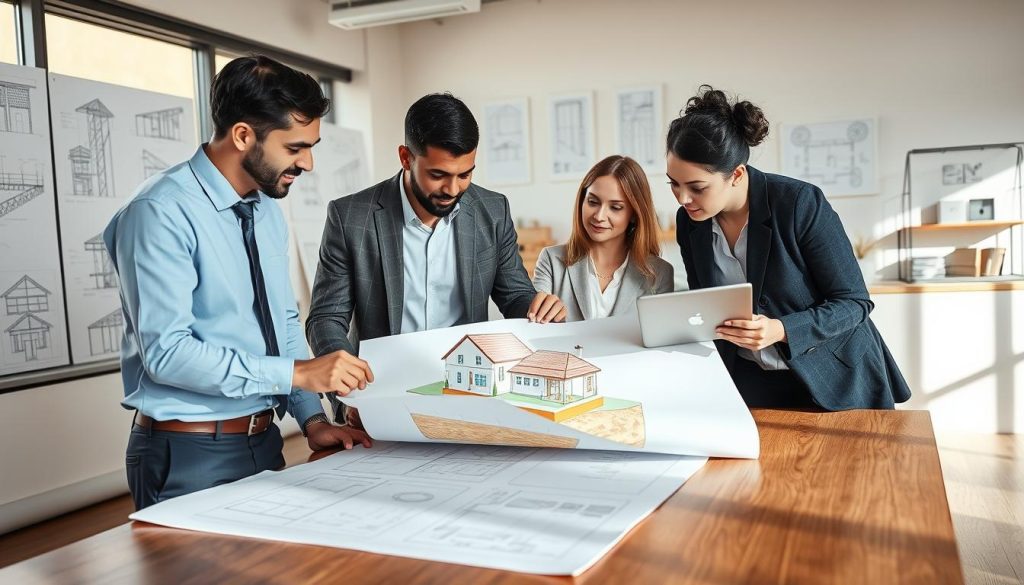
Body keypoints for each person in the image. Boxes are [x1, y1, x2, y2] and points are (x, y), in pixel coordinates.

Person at [104, 55, 372, 510]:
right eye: (294, 148)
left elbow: (282, 322)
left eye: (312, 146)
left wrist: (310, 418)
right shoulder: (159, 213)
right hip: (187, 455)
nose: (307, 163)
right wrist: (298, 373)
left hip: (263, 441)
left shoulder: (265, 208)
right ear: (243, 135)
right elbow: (167, 355)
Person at [306, 93, 566, 424]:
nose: (453, 189)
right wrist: (349, 396)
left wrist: (538, 310)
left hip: (469, 390)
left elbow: (515, 295)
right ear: (405, 157)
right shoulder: (351, 217)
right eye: (438, 174)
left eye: (465, 174)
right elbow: (326, 318)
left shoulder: (493, 210)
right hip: (380, 394)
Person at [667, 85, 910, 410]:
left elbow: (854, 302)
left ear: (736, 174)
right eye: (674, 184)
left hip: (833, 377)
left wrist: (782, 329)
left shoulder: (798, 203)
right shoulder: (690, 221)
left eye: (697, 187)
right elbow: (706, 303)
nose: (683, 199)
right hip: (749, 379)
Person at [533, 155, 673, 320]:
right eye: (593, 202)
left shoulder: (660, 273)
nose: (599, 216)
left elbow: (660, 336)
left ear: (634, 215)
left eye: (615, 207)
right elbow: (534, 324)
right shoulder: (551, 260)